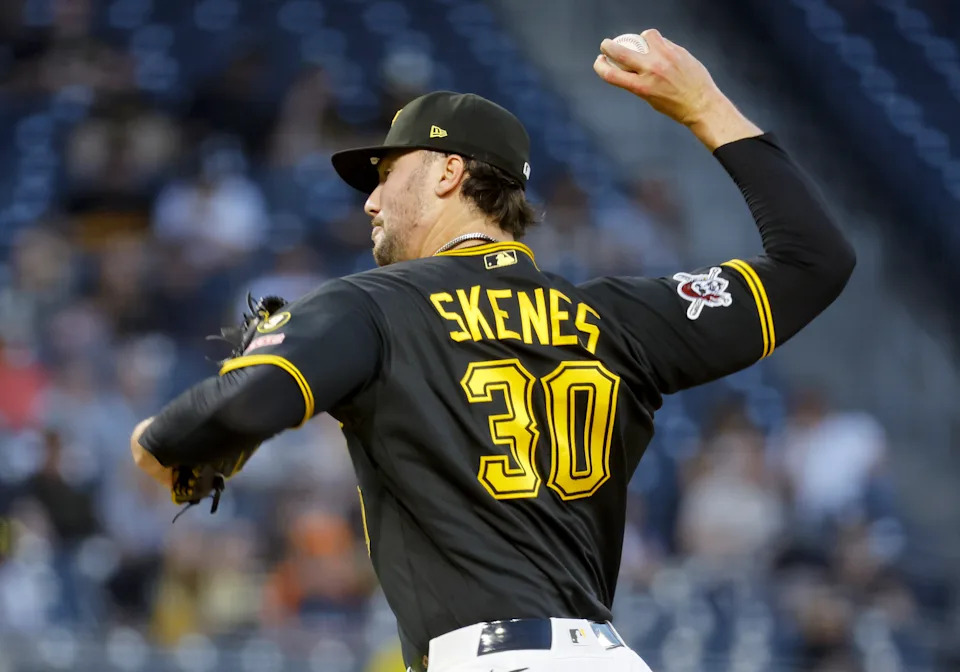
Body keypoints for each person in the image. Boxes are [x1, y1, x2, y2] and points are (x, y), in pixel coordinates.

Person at [130, 30, 855, 672]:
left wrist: (160, 440)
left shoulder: (372, 306)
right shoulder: (615, 319)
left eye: (386, 175)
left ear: (448, 173)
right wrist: (705, 107)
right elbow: (815, 260)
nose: (370, 202)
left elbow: (241, 404)